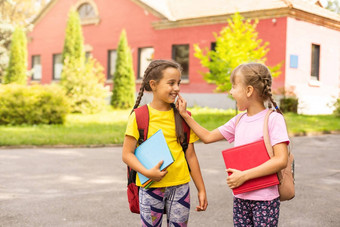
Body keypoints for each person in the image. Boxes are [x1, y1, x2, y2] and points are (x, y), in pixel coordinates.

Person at [176, 62, 289, 227]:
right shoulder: (238, 120)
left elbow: (281, 160)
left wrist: (244, 176)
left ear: (249, 90)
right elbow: (207, 137)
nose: (230, 91)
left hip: (265, 199)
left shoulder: (273, 119)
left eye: (234, 86)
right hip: (241, 197)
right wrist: (185, 115)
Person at [122, 59, 208, 226]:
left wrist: (201, 189)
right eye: (171, 83)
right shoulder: (139, 116)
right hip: (150, 186)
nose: (176, 88)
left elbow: (191, 156)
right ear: (153, 85)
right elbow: (127, 154)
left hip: (180, 187)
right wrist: (147, 172)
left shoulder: (184, 116)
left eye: (178, 83)